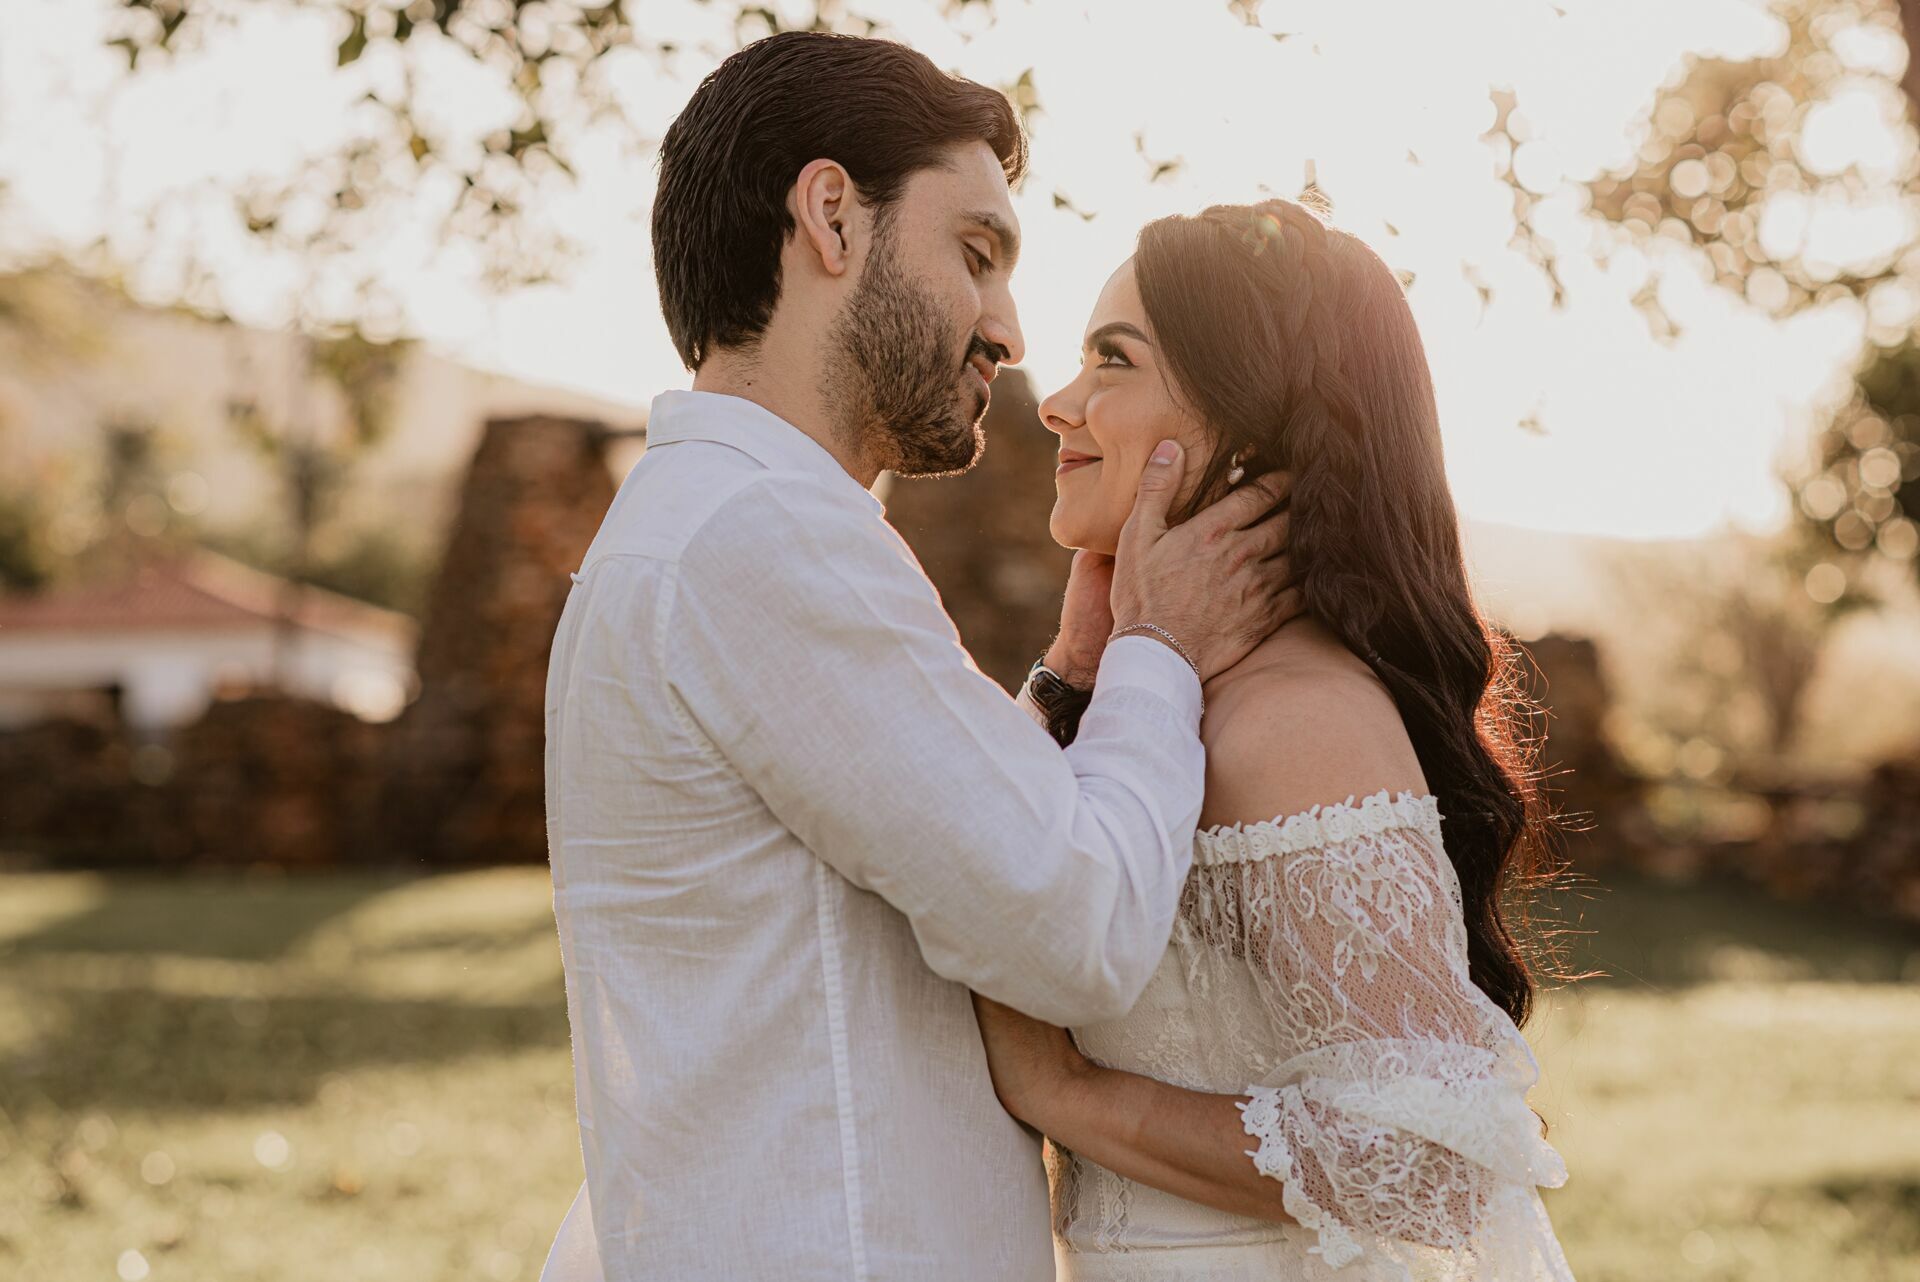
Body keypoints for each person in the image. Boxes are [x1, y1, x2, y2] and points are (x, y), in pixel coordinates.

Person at [538, 34, 1295, 1282]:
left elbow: (901, 839)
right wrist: (1162, 645)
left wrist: (1064, 682)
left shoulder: (701, 525)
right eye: (977, 253)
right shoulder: (761, 534)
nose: (1007, 329)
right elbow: (1081, 928)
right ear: (832, 217)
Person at [971, 199, 1576, 1281]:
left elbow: (1425, 1163)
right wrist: (1073, 673)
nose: (1057, 403)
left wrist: (1066, 1094)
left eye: (1114, 361)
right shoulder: (1156, 700)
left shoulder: (1296, 719)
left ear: (1245, 428)